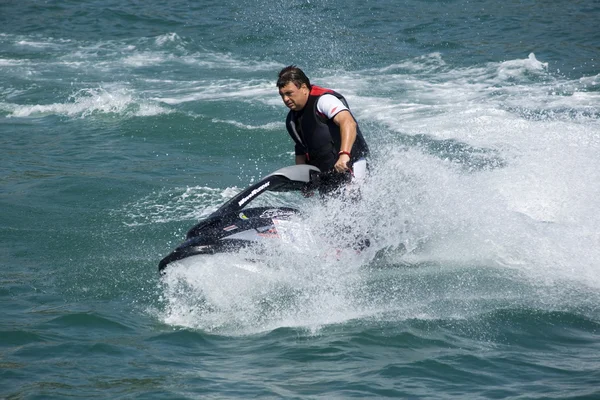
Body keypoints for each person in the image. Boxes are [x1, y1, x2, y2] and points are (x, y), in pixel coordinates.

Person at [276, 65, 369, 194]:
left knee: (354, 208)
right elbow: (301, 151)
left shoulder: (324, 101)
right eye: (282, 95)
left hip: (351, 166)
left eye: (289, 93)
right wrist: (304, 181)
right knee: (332, 213)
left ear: (303, 88)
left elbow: (348, 122)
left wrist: (344, 155)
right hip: (328, 177)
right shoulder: (291, 120)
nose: (285, 99)